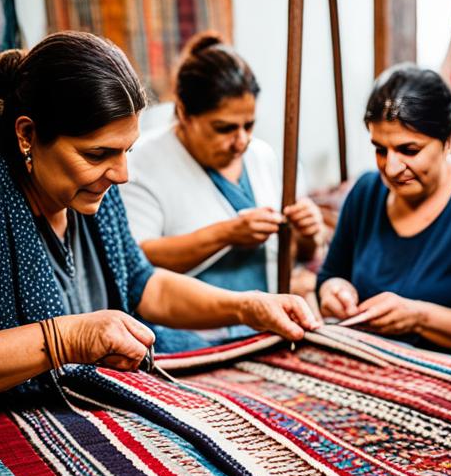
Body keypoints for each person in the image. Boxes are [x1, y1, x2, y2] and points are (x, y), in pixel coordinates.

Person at [0, 31, 320, 416]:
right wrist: (66, 340)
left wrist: (246, 307)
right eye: (97, 154)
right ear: (28, 134)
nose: (121, 173)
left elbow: (140, 284)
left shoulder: (91, 186)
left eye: (126, 151)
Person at [317, 64, 451, 351]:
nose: (391, 168)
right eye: (380, 149)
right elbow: (331, 274)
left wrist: (419, 318)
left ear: (449, 141)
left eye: (409, 150)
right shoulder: (366, 192)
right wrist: (334, 291)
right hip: (366, 366)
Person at [121, 33, 324, 317]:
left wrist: (309, 233)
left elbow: (300, 253)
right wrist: (227, 234)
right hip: (187, 332)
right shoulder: (140, 162)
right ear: (184, 114)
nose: (241, 140)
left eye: (249, 125)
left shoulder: (264, 157)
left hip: (266, 324)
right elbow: (137, 260)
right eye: (224, 128)